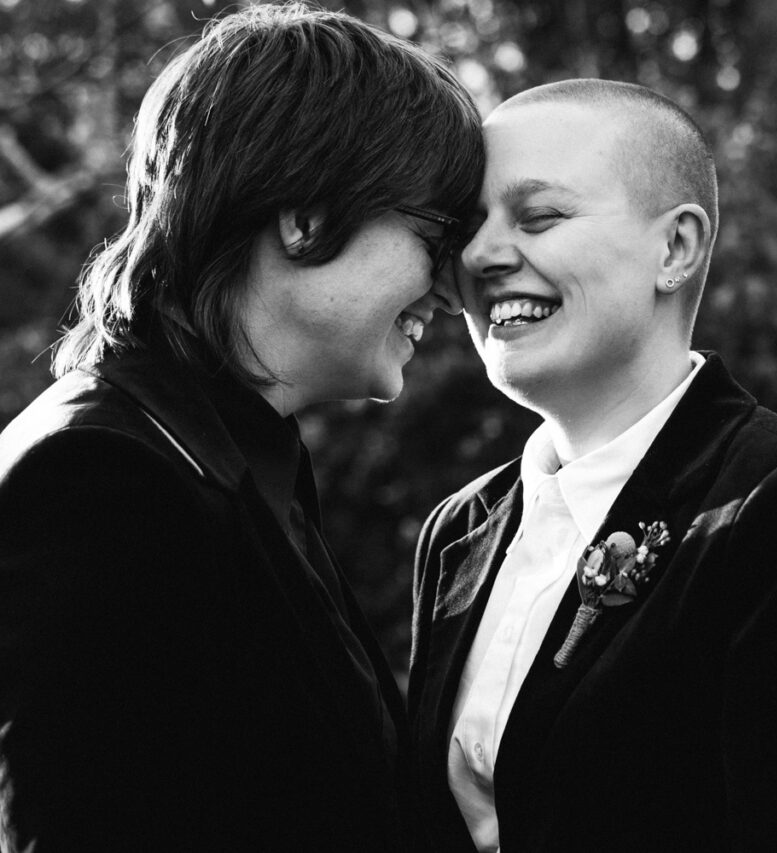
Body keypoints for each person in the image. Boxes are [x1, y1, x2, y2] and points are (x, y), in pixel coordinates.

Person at [407, 79, 777, 852]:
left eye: (540, 216)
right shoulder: (459, 530)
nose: (482, 255)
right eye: (471, 225)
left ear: (676, 247)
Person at [0, 5, 482, 851]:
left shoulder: (225, 454)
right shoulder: (102, 478)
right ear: (306, 216)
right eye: (436, 236)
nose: (449, 290)